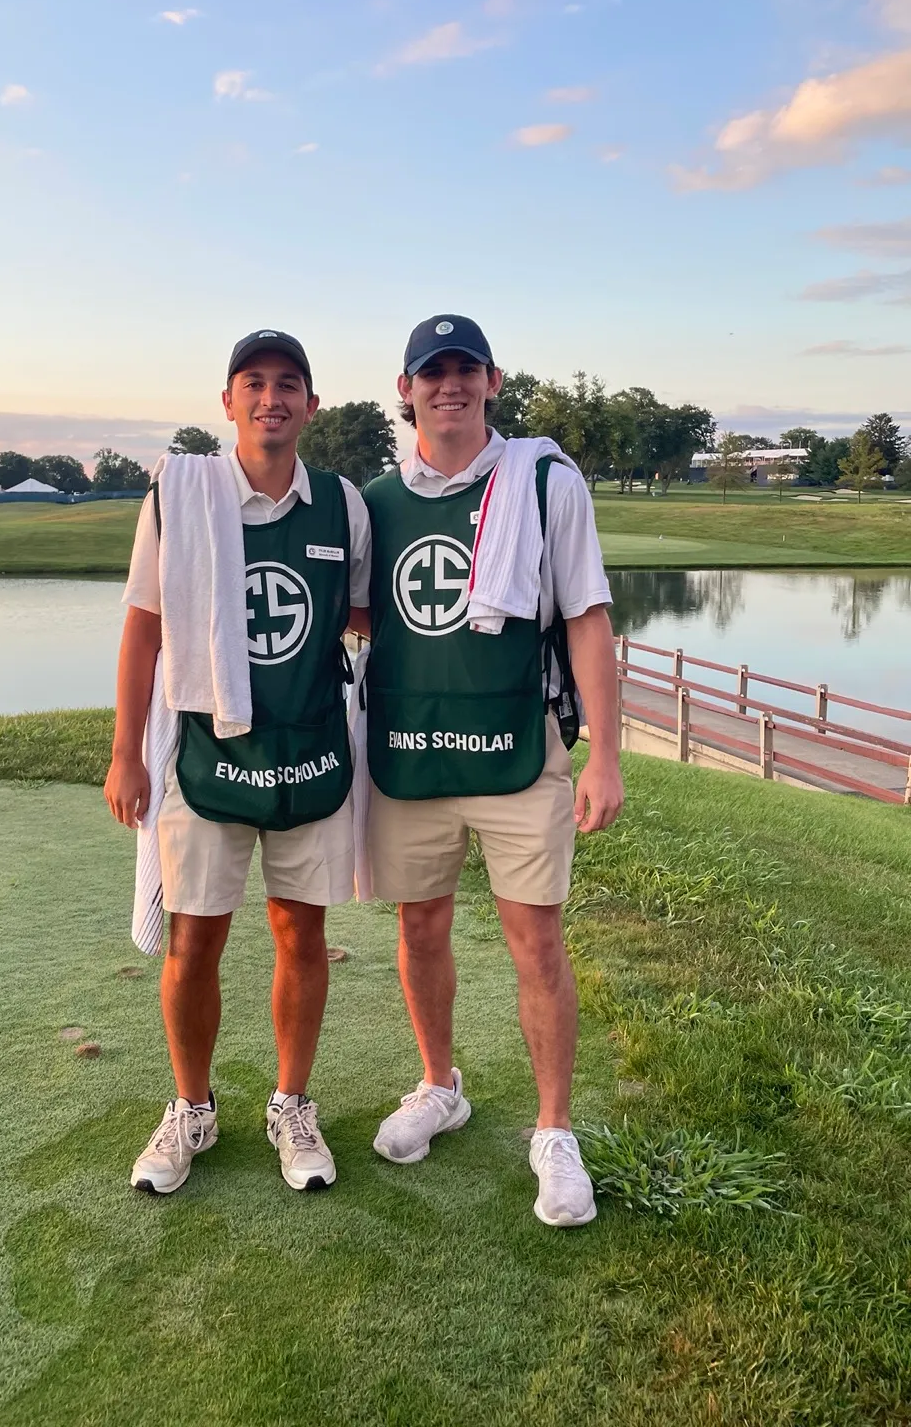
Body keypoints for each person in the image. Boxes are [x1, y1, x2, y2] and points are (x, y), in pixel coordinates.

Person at [360, 314, 623, 1227]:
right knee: (420, 927)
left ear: (493, 381)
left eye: (465, 369)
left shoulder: (545, 481)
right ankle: (441, 1085)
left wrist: (606, 756)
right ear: (406, 389)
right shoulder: (376, 502)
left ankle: (554, 1132)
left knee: (535, 943)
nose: (449, 386)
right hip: (412, 748)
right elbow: (359, 620)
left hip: (520, 746)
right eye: (431, 372)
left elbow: (587, 616)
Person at [105, 330, 371, 1196]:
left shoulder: (343, 505)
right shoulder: (179, 496)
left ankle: (291, 1105)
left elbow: (364, 620)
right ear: (227, 402)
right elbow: (143, 624)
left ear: (311, 405)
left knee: (302, 935)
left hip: (310, 750)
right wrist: (123, 755)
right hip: (205, 756)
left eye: (288, 384)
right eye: (253, 384)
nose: (271, 399)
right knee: (197, 940)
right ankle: (191, 1109)